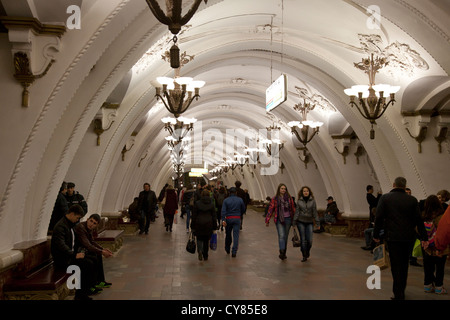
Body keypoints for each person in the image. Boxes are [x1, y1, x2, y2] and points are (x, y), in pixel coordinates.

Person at [373, 176, 428, 300]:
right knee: (404, 264)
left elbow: (379, 217)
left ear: (393, 184)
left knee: (396, 264)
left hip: (393, 237)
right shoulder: (412, 200)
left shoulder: (385, 198)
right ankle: (401, 289)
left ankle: (398, 292)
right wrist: (424, 237)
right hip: (408, 237)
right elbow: (419, 220)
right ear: (404, 186)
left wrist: (376, 235)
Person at [51, 204, 97, 300]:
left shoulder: (68, 224)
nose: (78, 220)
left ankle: (85, 290)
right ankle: (80, 295)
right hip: (62, 260)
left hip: (68, 256)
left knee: (92, 259)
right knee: (86, 264)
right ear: (72, 214)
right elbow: (61, 246)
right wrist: (75, 255)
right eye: (77, 217)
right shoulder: (61, 226)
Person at [74, 213, 113, 290]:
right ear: (87, 219)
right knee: (92, 260)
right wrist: (101, 252)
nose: (91, 224)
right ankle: (91, 285)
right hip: (76, 253)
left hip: (83, 251)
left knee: (97, 255)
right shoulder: (80, 227)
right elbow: (87, 244)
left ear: (96, 225)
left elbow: (92, 241)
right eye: (91, 221)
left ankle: (99, 281)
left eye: (94, 223)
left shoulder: (88, 228)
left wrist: (102, 249)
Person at [420, 195, 447, 294]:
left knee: (428, 267)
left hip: (427, 247)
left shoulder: (423, 216)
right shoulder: (441, 217)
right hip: (439, 246)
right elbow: (445, 232)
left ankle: (427, 286)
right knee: (440, 268)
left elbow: (417, 230)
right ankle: (439, 287)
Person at [265, 184, 296, 260]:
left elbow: (293, 208)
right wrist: (267, 219)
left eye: (284, 189)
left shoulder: (289, 198)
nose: (283, 190)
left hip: (288, 219)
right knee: (281, 235)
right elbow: (271, 209)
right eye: (282, 188)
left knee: (285, 237)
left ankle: (284, 252)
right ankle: (281, 251)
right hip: (279, 220)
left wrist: (295, 220)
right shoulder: (275, 198)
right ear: (279, 189)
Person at [294, 186, 321, 262]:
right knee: (303, 239)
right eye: (304, 191)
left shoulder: (313, 201)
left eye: (307, 191)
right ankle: (304, 255)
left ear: (309, 192)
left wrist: (318, 223)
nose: (306, 192)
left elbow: (315, 213)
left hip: (309, 222)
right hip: (301, 222)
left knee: (309, 240)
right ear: (302, 193)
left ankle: (307, 250)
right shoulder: (299, 201)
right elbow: (297, 212)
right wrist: (294, 222)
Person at [191, 190, 218, 261]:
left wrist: (192, 226)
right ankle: (205, 254)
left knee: (199, 238)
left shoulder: (197, 203)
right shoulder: (212, 204)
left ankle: (200, 251)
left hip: (199, 223)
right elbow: (214, 216)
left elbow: (194, 216)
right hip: (209, 224)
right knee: (206, 240)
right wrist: (215, 227)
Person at [221, 187, 246, 257]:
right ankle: (234, 251)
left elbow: (223, 211)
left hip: (228, 219)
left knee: (228, 234)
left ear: (229, 193)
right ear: (236, 193)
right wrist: (239, 214)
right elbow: (243, 209)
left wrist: (223, 220)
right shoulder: (240, 200)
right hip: (237, 219)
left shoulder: (226, 201)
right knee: (236, 235)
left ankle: (227, 248)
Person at [361, 185, 382, 250]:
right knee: (369, 230)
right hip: (373, 215)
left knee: (371, 231)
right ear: (370, 189)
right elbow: (375, 202)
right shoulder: (369, 196)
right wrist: (379, 195)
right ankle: (369, 245)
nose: (373, 190)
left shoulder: (369, 196)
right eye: (372, 189)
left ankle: (370, 245)